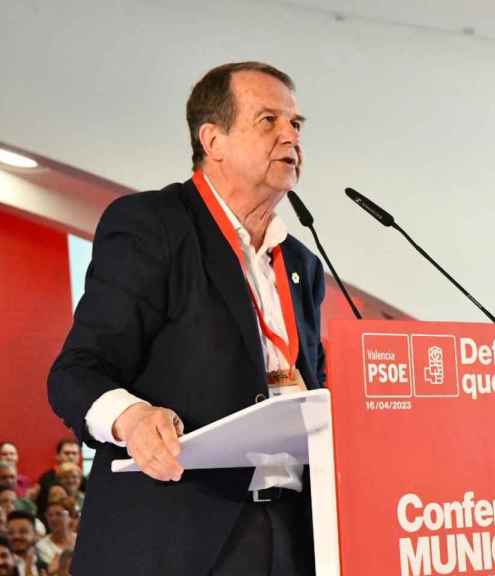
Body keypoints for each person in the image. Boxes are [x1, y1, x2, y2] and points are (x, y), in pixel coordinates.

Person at [48, 61, 326, 575]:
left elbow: (316, 391)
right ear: (213, 140)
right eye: (269, 120)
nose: (291, 135)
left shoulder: (302, 267)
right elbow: (76, 372)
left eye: (296, 124)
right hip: (182, 537)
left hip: (294, 534)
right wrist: (131, 419)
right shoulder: (153, 227)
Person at [35, 496, 76, 566]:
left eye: (58, 514)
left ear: (70, 517)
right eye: (49, 515)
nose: (53, 519)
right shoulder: (41, 546)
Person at [6, 511, 45, 576]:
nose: (16, 536)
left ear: (35, 534)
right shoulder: (3, 565)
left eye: (23, 532)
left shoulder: (46, 564)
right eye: (11, 532)